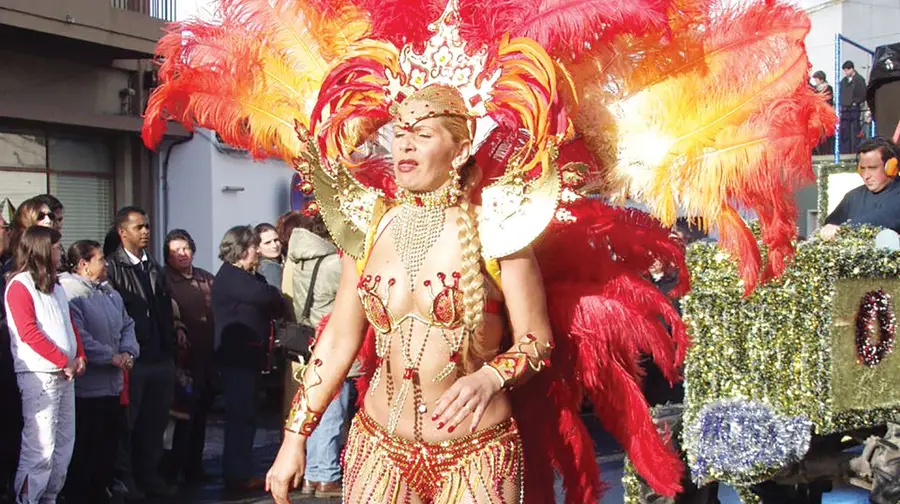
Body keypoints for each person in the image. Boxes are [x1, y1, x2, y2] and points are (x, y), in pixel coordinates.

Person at [143, 1, 834, 502]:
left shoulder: (502, 227)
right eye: (398, 131)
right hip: (379, 449)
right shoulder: (369, 225)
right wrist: (297, 434)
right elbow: (337, 342)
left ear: (459, 146)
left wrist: (487, 379)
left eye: (423, 132)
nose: (403, 144)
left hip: (474, 454)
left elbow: (535, 342)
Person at [4, 226, 85, 504]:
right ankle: (28, 498)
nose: (59, 252)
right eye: (55, 247)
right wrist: (64, 360)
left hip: (66, 374)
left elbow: (68, 323)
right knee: (41, 445)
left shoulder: (56, 285)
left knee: (64, 444)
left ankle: (50, 496)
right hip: (39, 374)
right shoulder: (19, 285)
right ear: (40, 249)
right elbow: (28, 332)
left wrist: (80, 355)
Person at [105, 206, 178, 499]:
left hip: (161, 356)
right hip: (134, 359)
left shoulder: (154, 267)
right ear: (123, 232)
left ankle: (151, 477)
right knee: (129, 423)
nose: (146, 231)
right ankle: (126, 480)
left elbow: (165, 309)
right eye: (139, 227)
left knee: (155, 423)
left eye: (147, 226)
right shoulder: (113, 268)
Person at [59, 240, 139, 504]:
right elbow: (78, 336)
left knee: (108, 447)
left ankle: (101, 490)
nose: (106, 263)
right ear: (83, 264)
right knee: (87, 450)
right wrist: (110, 357)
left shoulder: (110, 293)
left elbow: (128, 324)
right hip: (87, 389)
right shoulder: (70, 294)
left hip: (112, 387)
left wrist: (128, 352)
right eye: (100, 259)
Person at [283, 213, 351, 498]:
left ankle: (312, 474)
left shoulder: (299, 259)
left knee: (315, 406)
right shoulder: (335, 264)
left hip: (309, 340)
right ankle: (326, 475)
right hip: (333, 341)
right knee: (333, 409)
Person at [212, 226, 284, 493]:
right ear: (243, 251)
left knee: (247, 416)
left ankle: (240, 472)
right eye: (255, 247)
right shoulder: (233, 277)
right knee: (241, 418)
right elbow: (267, 295)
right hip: (237, 361)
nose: (258, 252)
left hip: (247, 360)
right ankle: (237, 476)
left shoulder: (242, 276)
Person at [163, 229, 216, 484]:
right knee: (180, 418)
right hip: (181, 360)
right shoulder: (164, 280)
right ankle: (174, 470)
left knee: (201, 415)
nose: (182, 255)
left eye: (185, 248)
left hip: (206, 357)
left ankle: (195, 467)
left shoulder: (206, 278)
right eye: (175, 251)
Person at [821, 138, 900, 240]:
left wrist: (843, 230)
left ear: (891, 167)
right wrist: (829, 227)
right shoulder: (853, 197)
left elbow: (883, 218)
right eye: (862, 168)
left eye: (872, 168)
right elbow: (831, 223)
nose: (866, 176)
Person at [840, 60, 868, 154]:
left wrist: (856, 102)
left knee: (854, 129)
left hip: (854, 108)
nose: (846, 73)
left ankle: (855, 150)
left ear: (851, 69)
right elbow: (841, 93)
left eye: (847, 70)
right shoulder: (844, 81)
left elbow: (863, 93)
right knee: (845, 131)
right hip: (845, 109)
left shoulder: (859, 80)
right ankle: (846, 150)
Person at [254, 223, 283, 288]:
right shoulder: (271, 267)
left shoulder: (256, 266)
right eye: (267, 243)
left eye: (276, 240)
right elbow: (276, 296)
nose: (274, 245)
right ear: (257, 248)